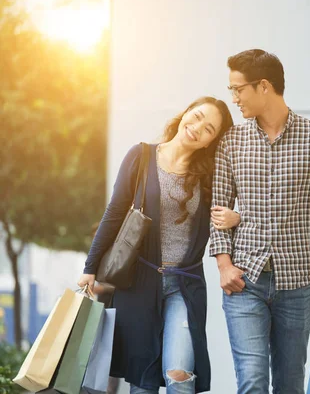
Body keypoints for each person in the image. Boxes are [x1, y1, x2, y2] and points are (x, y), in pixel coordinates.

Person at [210, 49, 310, 394]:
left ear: (263, 86)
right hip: (243, 282)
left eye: (238, 89)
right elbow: (217, 210)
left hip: (295, 287)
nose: (233, 98)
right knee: (252, 381)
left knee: (290, 383)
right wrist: (224, 265)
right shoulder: (231, 143)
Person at [78, 97, 238, 394]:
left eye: (208, 129)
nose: (197, 128)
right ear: (185, 113)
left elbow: (232, 216)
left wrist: (237, 217)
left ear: (210, 142)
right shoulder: (140, 157)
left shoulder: (211, 176)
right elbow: (114, 213)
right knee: (143, 382)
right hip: (139, 285)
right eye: (197, 116)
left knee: (180, 375)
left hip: (184, 286)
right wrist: (90, 267)